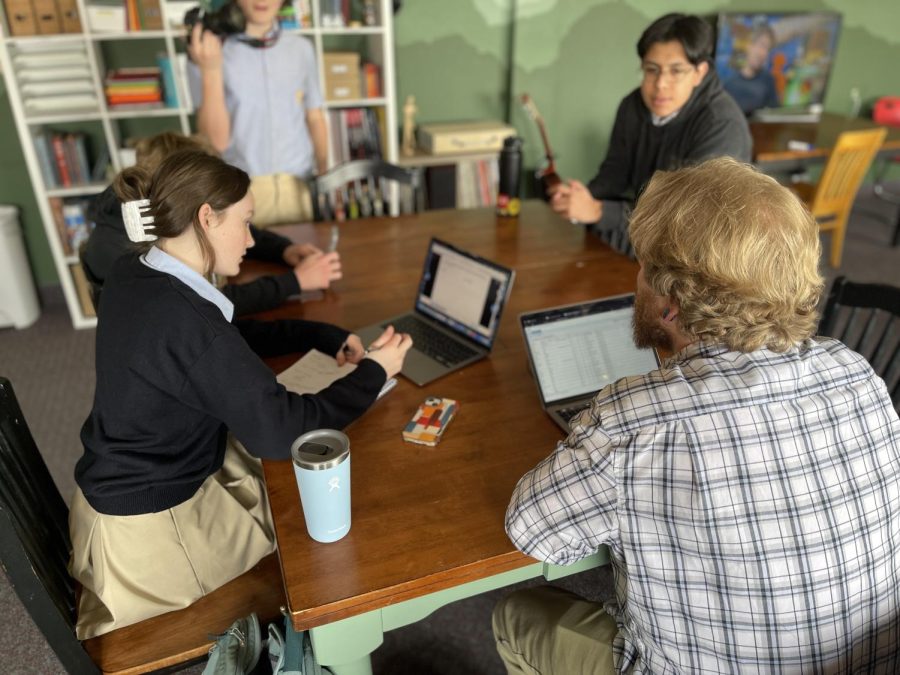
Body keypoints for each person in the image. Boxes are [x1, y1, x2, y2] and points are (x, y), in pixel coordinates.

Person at [494, 157, 900, 673]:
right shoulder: (856, 373)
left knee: (517, 615)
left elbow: (531, 531)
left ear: (670, 302)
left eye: (642, 265)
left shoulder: (633, 421)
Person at [68, 149, 412, 639]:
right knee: (317, 524)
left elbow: (220, 339)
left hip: (115, 493)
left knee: (275, 473)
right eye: (246, 223)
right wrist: (375, 371)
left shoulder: (138, 270)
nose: (252, 240)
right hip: (154, 541)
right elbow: (282, 432)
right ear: (206, 217)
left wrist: (318, 335)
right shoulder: (187, 322)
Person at [550, 14, 752, 252]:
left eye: (676, 71)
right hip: (643, 233)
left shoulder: (721, 125)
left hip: (699, 251)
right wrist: (578, 197)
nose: (660, 84)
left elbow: (689, 218)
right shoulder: (632, 106)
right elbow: (614, 174)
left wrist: (598, 211)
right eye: (651, 70)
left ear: (699, 72)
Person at [82, 132, 340, 317]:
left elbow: (230, 223)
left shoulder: (146, 213)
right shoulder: (129, 250)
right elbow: (206, 300)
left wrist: (283, 249)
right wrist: (294, 282)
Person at [187, 0, 328, 225]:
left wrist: (324, 172)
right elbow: (216, 142)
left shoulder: (302, 49)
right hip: (241, 191)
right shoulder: (206, 53)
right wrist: (211, 70)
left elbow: (314, 116)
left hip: (299, 186)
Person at [723, 21, 781, 115]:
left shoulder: (768, 81)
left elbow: (775, 117)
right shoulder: (730, 84)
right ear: (749, 45)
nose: (763, 53)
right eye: (762, 46)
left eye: (768, 49)